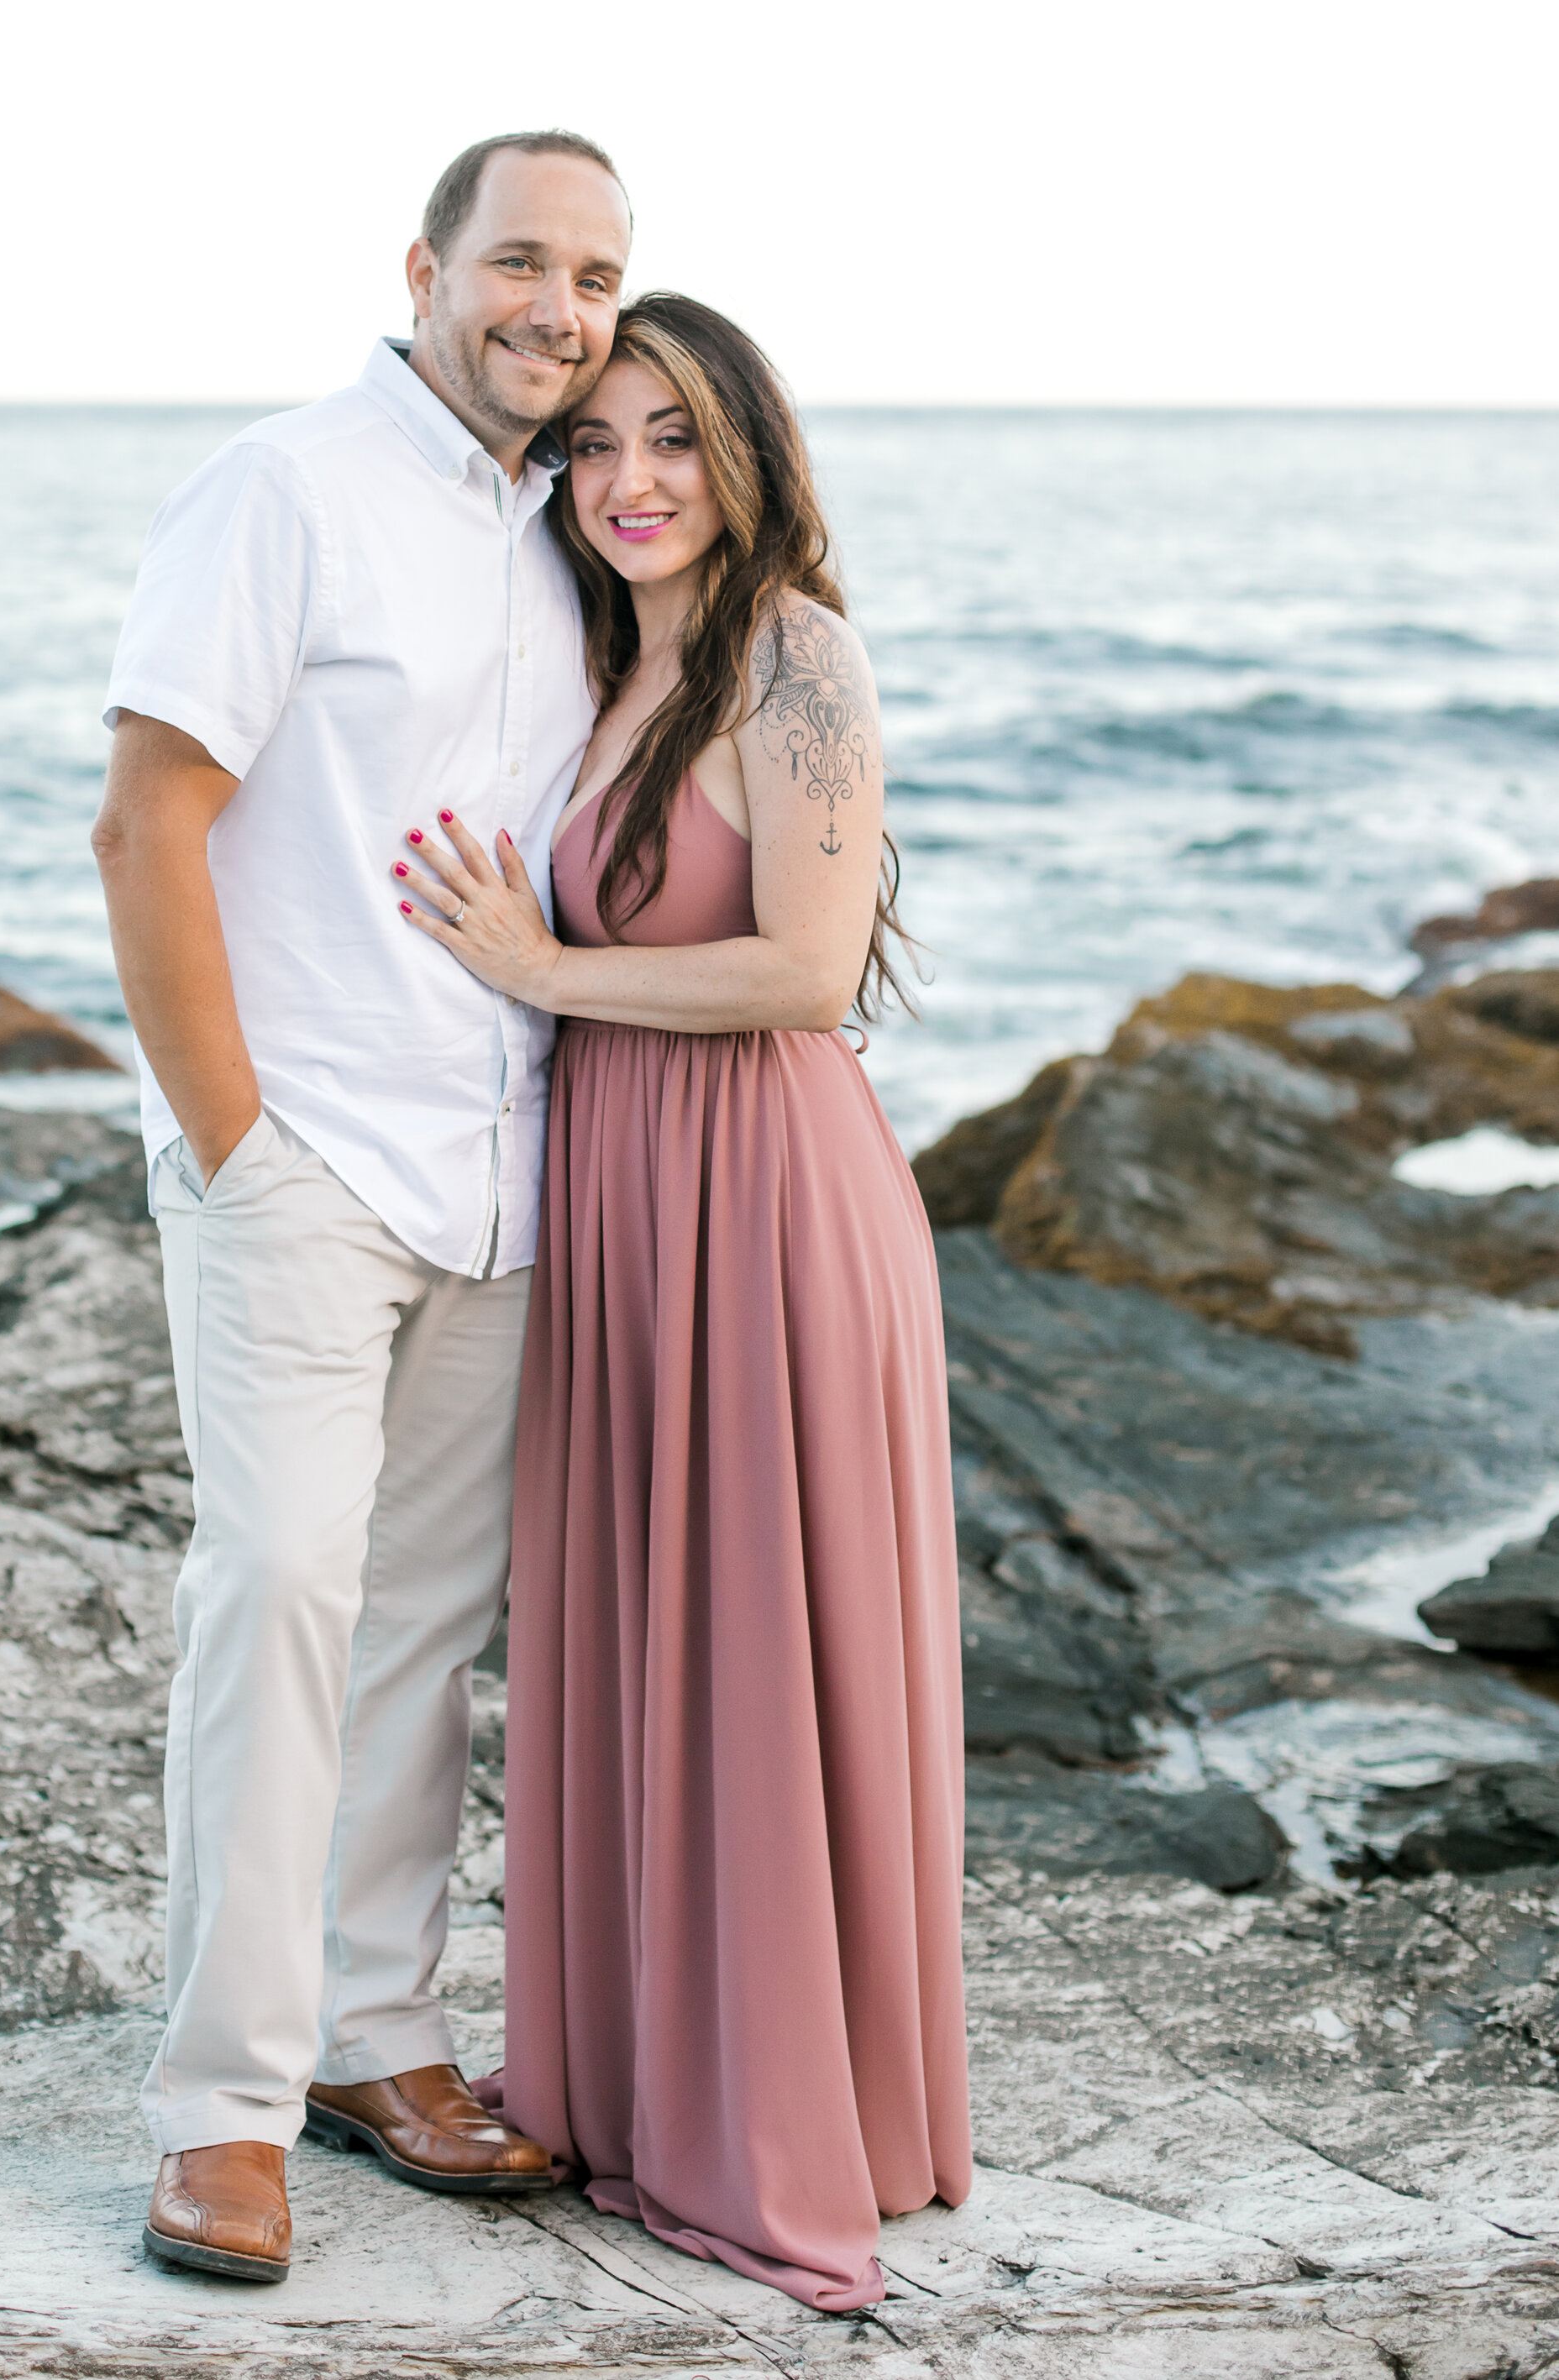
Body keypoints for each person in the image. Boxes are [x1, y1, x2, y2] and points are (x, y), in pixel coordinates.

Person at [91, 131, 633, 2285]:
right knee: (282, 1591)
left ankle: (375, 2037)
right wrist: (232, 1141)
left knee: (417, 1628)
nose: (557, 308)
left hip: (498, 1163)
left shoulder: (567, 528)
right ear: (423, 266)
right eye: (520, 260)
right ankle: (220, 2108)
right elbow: (146, 821)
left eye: (595, 276)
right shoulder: (281, 489)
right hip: (303, 1152)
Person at [394, 293, 972, 2314]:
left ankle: (781, 2118)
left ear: (742, 456)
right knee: (640, 1627)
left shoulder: (792, 651)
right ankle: (647, 2089)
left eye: (672, 439)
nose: (628, 480)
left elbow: (806, 972)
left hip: (767, 1192)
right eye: (594, 444)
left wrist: (542, 974)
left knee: (749, 1633)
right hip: (628, 1193)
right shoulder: (599, 667)